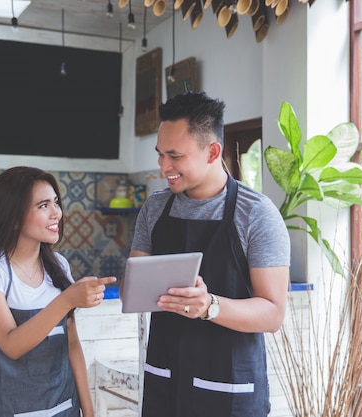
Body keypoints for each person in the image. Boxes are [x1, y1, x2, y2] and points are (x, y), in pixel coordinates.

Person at [127, 91, 290, 416]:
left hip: (229, 389)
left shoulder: (257, 214)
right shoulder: (156, 208)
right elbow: (135, 286)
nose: (163, 167)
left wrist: (209, 306)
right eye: (160, 155)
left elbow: (273, 314)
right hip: (165, 379)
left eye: (174, 156)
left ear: (213, 151)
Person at [0, 166, 116, 417]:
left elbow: (72, 343)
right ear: (14, 217)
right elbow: (12, 344)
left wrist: (90, 413)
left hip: (64, 408)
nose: (56, 214)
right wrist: (67, 299)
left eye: (56, 203)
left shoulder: (58, 266)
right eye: (43, 206)